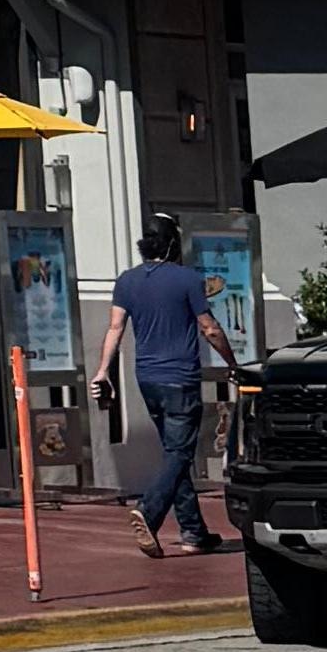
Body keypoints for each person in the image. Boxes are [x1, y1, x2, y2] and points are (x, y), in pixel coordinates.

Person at [96, 213, 240, 552]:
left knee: (174, 454)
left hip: (147, 379)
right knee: (179, 454)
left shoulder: (126, 281)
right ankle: (150, 510)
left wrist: (103, 370)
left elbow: (115, 328)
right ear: (173, 244)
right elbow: (210, 328)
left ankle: (193, 533)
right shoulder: (187, 279)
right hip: (180, 379)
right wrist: (232, 362)